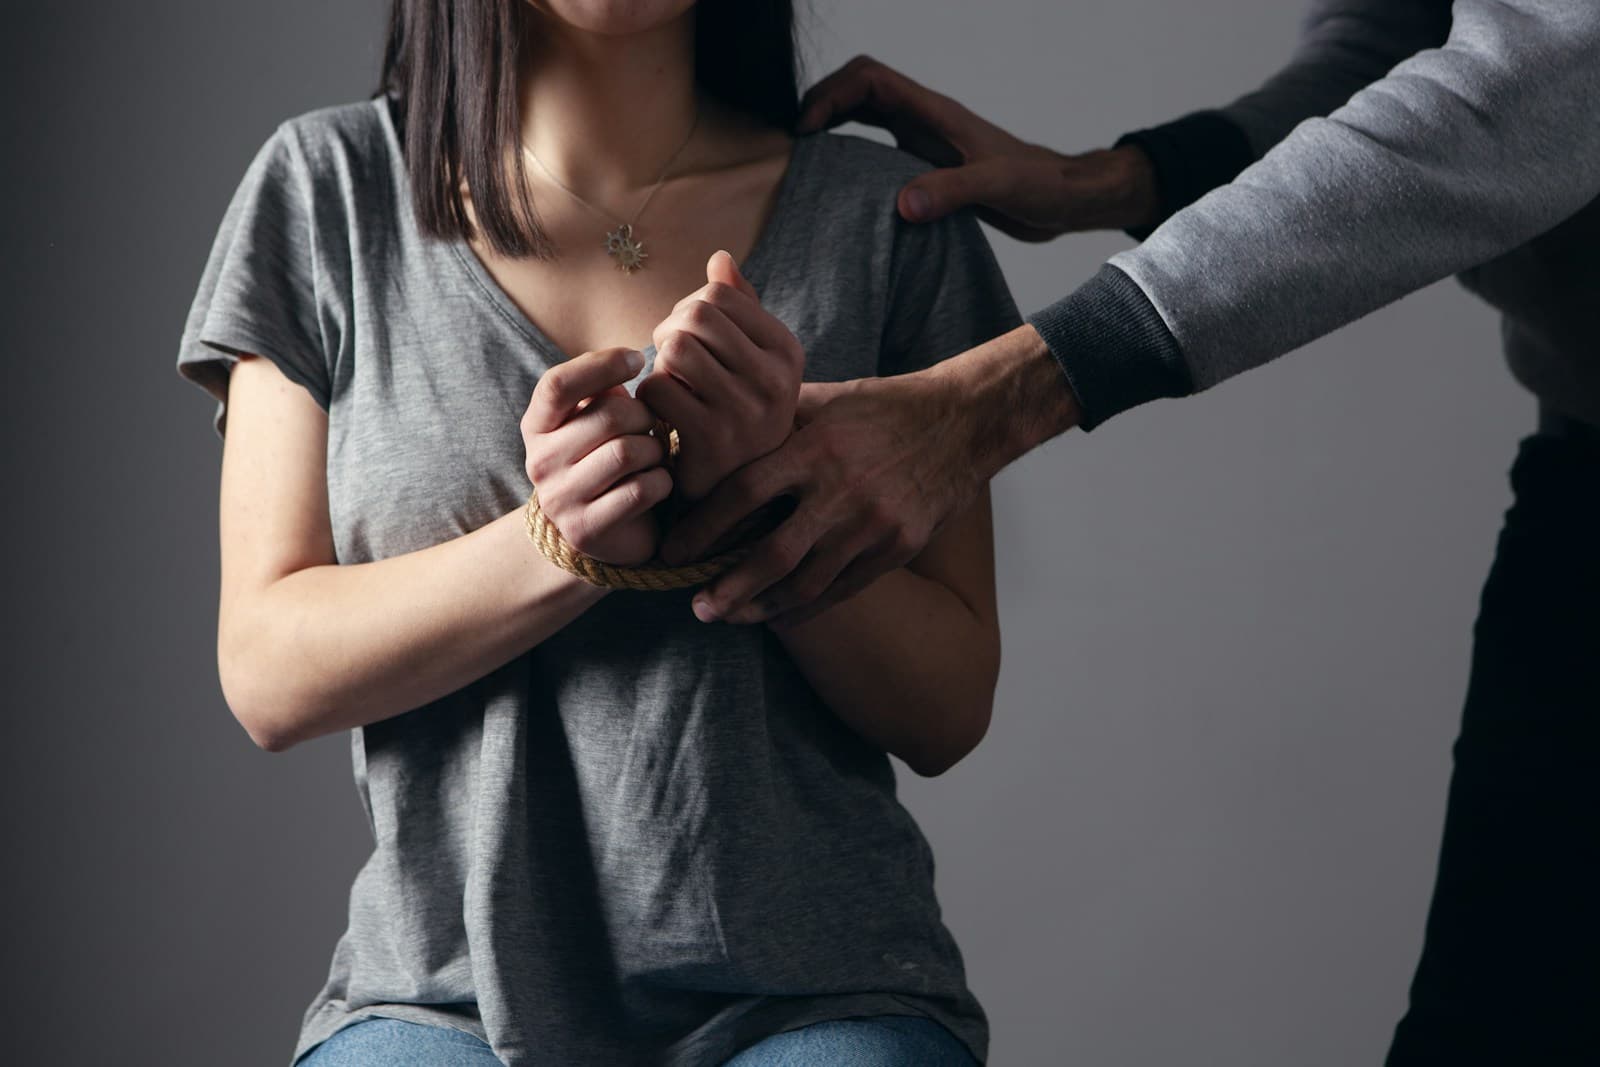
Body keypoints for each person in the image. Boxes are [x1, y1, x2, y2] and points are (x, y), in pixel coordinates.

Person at [659, 1, 1600, 1063]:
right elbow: (1406, 36)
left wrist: (1001, 394)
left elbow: (1546, 79)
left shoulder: (874, 221)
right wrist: (1120, 178)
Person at [174, 1, 1019, 1064]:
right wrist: (554, 546)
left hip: (819, 993)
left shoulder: (883, 214)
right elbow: (265, 668)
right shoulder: (324, 189)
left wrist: (757, 492)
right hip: (438, 997)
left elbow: (947, 704)